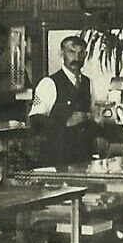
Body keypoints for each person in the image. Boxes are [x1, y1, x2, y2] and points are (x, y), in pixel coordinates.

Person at [27, 35, 98, 166]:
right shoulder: (48, 83)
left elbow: (92, 115)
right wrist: (65, 122)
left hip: (84, 158)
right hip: (58, 157)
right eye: (71, 52)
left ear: (86, 55)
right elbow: (35, 118)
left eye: (81, 53)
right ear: (62, 53)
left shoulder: (88, 83)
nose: (76, 58)